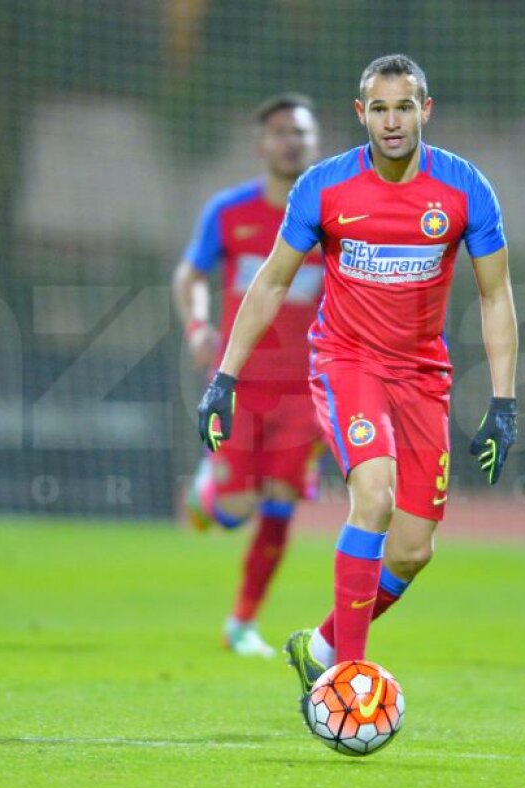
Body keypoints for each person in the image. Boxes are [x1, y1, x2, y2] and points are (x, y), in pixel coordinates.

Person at [196, 55, 519, 697]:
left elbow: (495, 295)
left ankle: (318, 646)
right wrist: (224, 379)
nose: (392, 121)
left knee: (411, 552)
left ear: (426, 109)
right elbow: (272, 282)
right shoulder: (323, 186)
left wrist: (504, 402)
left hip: (424, 376)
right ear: (360, 113)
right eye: (379, 108)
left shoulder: (464, 188)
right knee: (372, 498)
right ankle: (346, 682)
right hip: (348, 362)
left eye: (404, 107)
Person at [174, 94, 325, 658]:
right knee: (235, 513)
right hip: (238, 380)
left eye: (301, 132)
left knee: (283, 498)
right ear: (262, 145)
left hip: (308, 387)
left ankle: (241, 624)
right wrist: (197, 325)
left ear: (315, 142)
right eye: (281, 132)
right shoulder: (229, 211)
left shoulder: (333, 218)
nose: (292, 141)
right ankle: (208, 490)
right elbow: (189, 273)